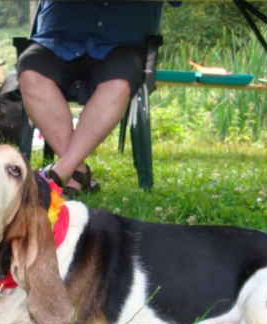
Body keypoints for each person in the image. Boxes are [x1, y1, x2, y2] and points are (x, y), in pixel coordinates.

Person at [17, 1, 164, 195]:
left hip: (123, 45)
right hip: (56, 40)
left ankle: (60, 172)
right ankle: (76, 172)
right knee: (30, 72)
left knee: (119, 82)